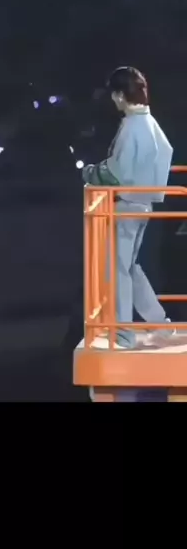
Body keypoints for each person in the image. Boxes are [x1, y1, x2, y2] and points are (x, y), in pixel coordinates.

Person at [83, 66, 174, 349]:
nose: (113, 100)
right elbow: (166, 151)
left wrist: (91, 172)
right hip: (143, 203)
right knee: (129, 267)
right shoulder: (149, 122)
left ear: (121, 95)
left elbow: (116, 170)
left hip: (127, 205)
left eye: (114, 94)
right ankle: (159, 323)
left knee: (117, 270)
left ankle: (123, 331)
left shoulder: (132, 125)